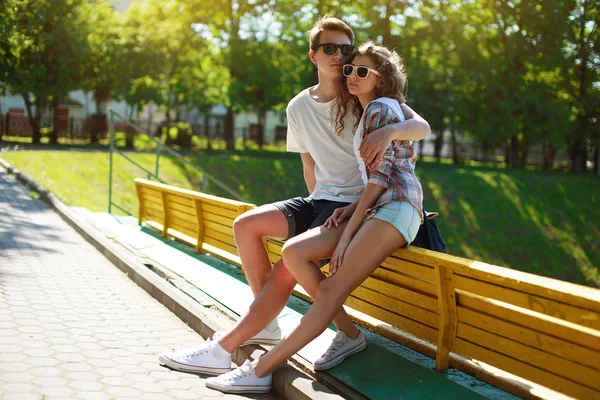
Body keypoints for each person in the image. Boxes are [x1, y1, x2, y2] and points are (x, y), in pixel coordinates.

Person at [158, 17, 430, 378]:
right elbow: (309, 165)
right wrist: (312, 210)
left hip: (356, 204)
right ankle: (266, 325)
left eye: (345, 50)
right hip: (322, 199)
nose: (339, 56)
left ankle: (225, 348)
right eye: (330, 49)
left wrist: (392, 132)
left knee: (288, 265)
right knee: (246, 226)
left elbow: (421, 127)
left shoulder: (363, 96)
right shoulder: (298, 106)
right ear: (313, 55)